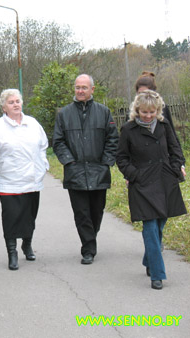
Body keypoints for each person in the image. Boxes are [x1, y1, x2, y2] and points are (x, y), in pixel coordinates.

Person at [116, 90, 187, 290]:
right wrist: (134, 175)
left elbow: (175, 150)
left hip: (165, 181)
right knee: (150, 228)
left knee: (160, 226)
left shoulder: (164, 126)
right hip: (142, 185)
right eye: (144, 112)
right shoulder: (128, 130)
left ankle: (150, 259)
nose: (148, 116)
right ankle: (157, 274)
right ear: (137, 110)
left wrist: (177, 166)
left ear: (158, 110)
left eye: (152, 112)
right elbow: (121, 158)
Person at [0, 89, 49, 270]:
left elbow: (43, 146)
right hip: (9, 181)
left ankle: (27, 244)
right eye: (11, 102)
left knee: (30, 216)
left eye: (18, 101)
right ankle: (12, 252)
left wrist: (43, 166)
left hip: (32, 180)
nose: (16, 104)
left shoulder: (32, 124)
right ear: (4, 107)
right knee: (11, 218)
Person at [52, 74, 119, 265]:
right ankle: (88, 249)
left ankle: (91, 238)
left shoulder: (104, 112)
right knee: (82, 214)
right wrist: (69, 162)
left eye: (84, 87)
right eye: (77, 87)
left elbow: (113, 139)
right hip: (76, 172)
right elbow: (58, 142)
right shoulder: (64, 114)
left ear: (92, 89)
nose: (80, 91)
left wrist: (106, 162)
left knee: (96, 211)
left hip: (99, 171)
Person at [131, 71, 186, 179]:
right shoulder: (132, 114)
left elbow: (172, 139)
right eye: (140, 94)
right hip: (141, 169)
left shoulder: (163, 110)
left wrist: (180, 163)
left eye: (147, 93)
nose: (144, 97)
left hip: (163, 165)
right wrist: (130, 173)